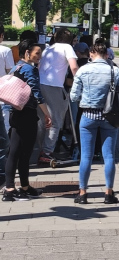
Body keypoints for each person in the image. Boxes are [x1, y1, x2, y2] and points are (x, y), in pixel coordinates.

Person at [69, 37, 119, 205]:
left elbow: (74, 96)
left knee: (85, 156)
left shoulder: (83, 70)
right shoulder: (114, 71)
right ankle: (109, 193)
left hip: (88, 116)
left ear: (91, 53)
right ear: (106, 54)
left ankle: (82, 193)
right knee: (108, 156)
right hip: (110, 118)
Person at [3, 37, 54, 201]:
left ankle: (24, 187)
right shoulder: (29, 70)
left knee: (18, 151)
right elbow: (37, 94)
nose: (40, 56)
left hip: (16, 112)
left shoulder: (17, 67)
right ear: (27, 53)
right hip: (26, 113)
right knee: (19, 152)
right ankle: (10, 190)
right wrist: (47, 114)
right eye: (37, 53)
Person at [37, 29, 78, 167]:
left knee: (43, 120)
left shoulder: (49, 49)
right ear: (70, 40)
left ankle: (40, 149)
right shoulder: (67, 47)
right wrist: (81, 82)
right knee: (55, 120)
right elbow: (74, 68)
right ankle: (46, 153)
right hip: (54, 86)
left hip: (40, 84)